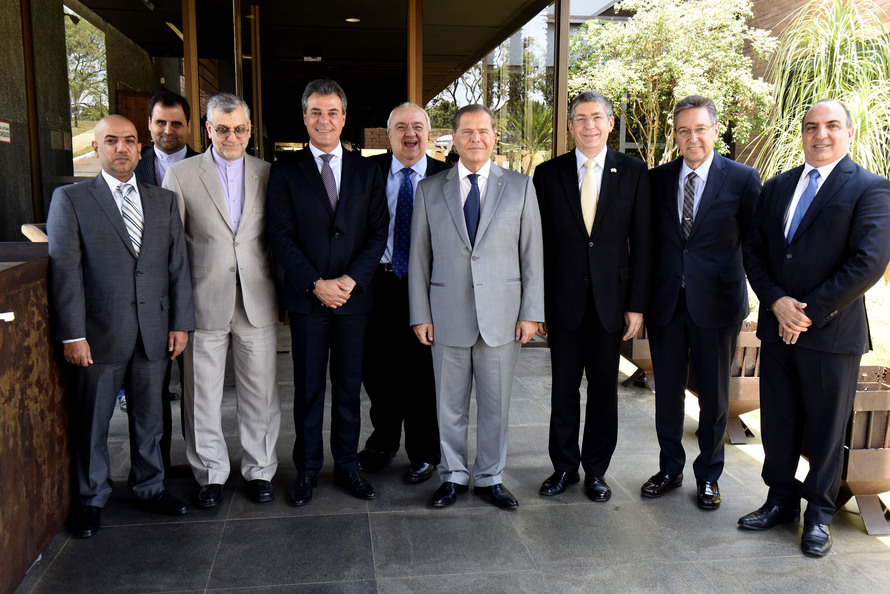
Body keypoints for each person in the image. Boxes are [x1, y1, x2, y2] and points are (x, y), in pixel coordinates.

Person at [740, 99, 890, 556]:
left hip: (830, 334)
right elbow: (756, 252)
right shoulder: (778, 186)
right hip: (777, 328)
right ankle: (779, 500)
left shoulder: (871, 189)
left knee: (827, 429)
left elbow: (867, 263)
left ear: (849, 132)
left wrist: (804, 313)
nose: (819, 134)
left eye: (830, 126)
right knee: (779, 420)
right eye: (810, 127)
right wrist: (777, 302)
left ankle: (819, 515)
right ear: (802, 133)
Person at [47, 115, 194, 538]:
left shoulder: (162, 201)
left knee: (151, 419)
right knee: (94, 421)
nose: (122, 148)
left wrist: (180, 323)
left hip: (154, 330)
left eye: (130, 140)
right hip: (97, 335)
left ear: (141, 146)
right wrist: (73, 334)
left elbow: (176, 267)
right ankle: (92, 498)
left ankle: (150, 486)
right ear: (96, 149)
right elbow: (65, 273)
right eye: (111, 141)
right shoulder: (71, 199)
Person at [408, 104, 544, 510]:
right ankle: (452, 475)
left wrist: (531, 312)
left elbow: (532, 255)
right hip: (446, 314)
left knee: (496, 405)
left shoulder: (520, 187)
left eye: (483, 131)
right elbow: (419, 258)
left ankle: (489, 477)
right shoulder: (430, 190)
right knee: (448, 405)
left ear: (493, 136)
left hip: (502, 317)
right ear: (453, 138)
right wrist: (420, 314)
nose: (475, 139)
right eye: (467, 132)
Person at [266, 78, 388, 506]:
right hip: (308, 299)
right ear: (304, 117)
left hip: (354, 301)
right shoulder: (284, 170)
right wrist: (316, 284)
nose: (324, 120)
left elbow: (377, 234)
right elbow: (279, 236)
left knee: (350, 388)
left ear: (344, 117)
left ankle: (348, 466)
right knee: (308, 388)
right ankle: (308, 470)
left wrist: (350, 282)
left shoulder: (367, 170)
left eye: (332, 111)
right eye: (315, 112)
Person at [162, 93, 280, 508]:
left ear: (249, 130)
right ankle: (210, 473)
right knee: (202, 394)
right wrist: (175, 309)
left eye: (240, 128)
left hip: (257, 298)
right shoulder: (181, 174)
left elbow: (275, 239)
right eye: (223, 128)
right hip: (202, 299)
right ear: (208, 129)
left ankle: (259, 469)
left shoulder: (267, 173)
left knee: (261, 391)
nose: (232, 136)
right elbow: (170, 248)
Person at [532, 91, 651, 502]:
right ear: (569, 126)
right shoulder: (548, 175)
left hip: (611, 305)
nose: (589, 126)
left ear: (610, 123)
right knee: (563, 390)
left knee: (604, 392)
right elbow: (538, 247)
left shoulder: (634, 172)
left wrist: (636, 305)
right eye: (580, 118)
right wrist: (537, 305)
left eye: (597, 118)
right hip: (563, 304)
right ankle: (563, 467)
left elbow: (645, 244)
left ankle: (596, 471)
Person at [643, 95, 761, 509]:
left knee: (713, 397)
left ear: (714, 129)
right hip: (666, 305)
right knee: (666, 394)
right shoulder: (657, 180)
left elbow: (756, 244)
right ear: (675, 135)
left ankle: (709, 475)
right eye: (683, 130)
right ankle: (670, 468)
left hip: (718, 305)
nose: (692, 137)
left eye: (699, 128)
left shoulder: (744, 179)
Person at [357, 102, 447, 483]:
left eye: (417, 127)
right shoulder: (366, 173)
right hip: (379, 282)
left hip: (430, 286)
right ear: (388, 134)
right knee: (377, 370)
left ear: (428, 133)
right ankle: (383, 440)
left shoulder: (448, 176)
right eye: (400, 127)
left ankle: (425, 450)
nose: (410, 134)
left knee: (424, 372)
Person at [134, 89, 199, 473]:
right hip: (145, 295)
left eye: (176, 123)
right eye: (161, 122)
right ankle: (155, 468)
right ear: (149, 125)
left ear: (190, 126)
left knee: (196, 387)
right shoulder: (130, 166)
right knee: (151, 387)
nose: (168, 130)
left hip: (193, 291)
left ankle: (198, 463)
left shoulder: (207, 164)